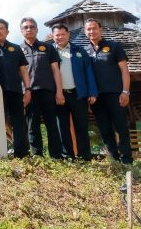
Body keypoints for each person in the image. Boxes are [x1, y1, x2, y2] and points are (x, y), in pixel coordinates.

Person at [84, 18, 133, 164]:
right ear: (85, 32)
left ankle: (127, 159)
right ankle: (114, 159)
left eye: (94, 28)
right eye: (88, 29)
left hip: (115, 94)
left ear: (101, 29)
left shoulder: (114, 47)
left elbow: (125, 71)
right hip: (96, 97)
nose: (92, 31)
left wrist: (125, 91)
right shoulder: (84, 52)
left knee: (121, 126)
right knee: (104, 129)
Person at [19, 17, 65, 159]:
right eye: (26, 27)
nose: (29, 29)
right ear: (21, 31)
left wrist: (59, 92)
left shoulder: (48, 48)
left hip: (48, 91)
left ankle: (56, 156)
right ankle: (37, 156)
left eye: (32, 27)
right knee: (32, 126)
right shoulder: (17, 50)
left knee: (52, 124)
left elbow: (56, 71)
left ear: (37, 29)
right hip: (29, 93)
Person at [51, 23, 98, 160]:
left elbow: (88, 71)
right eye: (57, 35)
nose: (60, 37)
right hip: (59, 95)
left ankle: (85, 157)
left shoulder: (79, 50)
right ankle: (67, 156)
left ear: (68, 35)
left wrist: (92, 91)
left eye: (63, 34)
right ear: (53, 36)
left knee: (81, 126)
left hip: (78, 94)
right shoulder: (49, 51)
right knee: (62, 127)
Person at [0, 19, 31, 158]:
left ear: (7, 31)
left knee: (19, 122)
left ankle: (22, 153)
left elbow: (23, 70)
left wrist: (28, 89)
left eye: (2, 28)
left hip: (15, 90)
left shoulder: (16, 48)